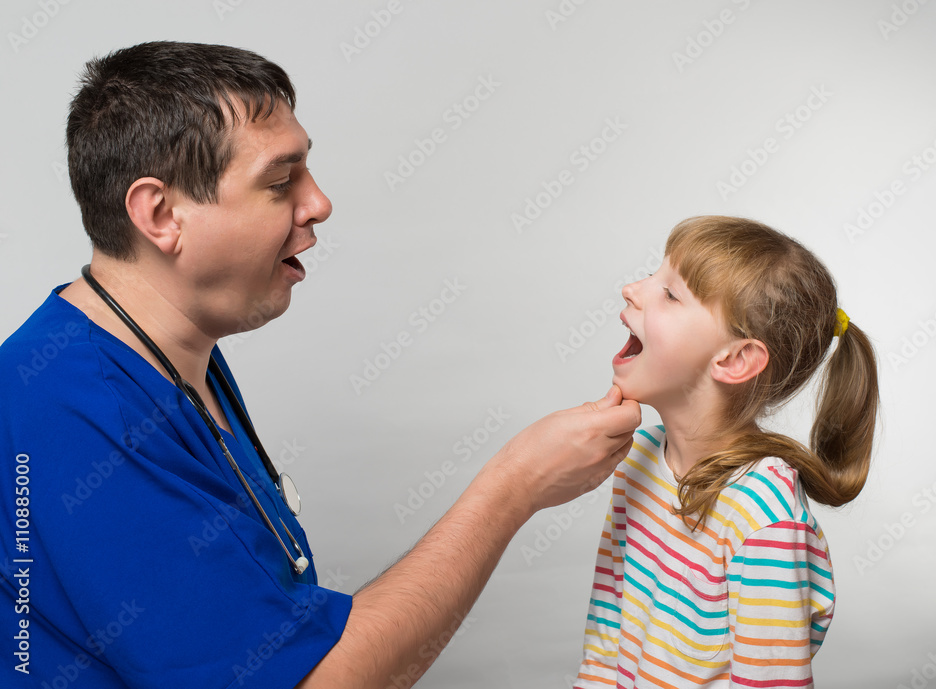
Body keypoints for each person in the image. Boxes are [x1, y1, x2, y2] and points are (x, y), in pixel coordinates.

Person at [0, 41, 641, 688]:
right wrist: (515, 485)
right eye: (281, 182)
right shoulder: (75, 409)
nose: (319, 203)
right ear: (161, 214)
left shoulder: (162, 353)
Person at [573, 216, 879, 688]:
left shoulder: (765, 520)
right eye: (653, 275)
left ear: (735, 360)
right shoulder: (640, 458)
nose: (630, 290)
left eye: (670, 294)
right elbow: (606, 634)